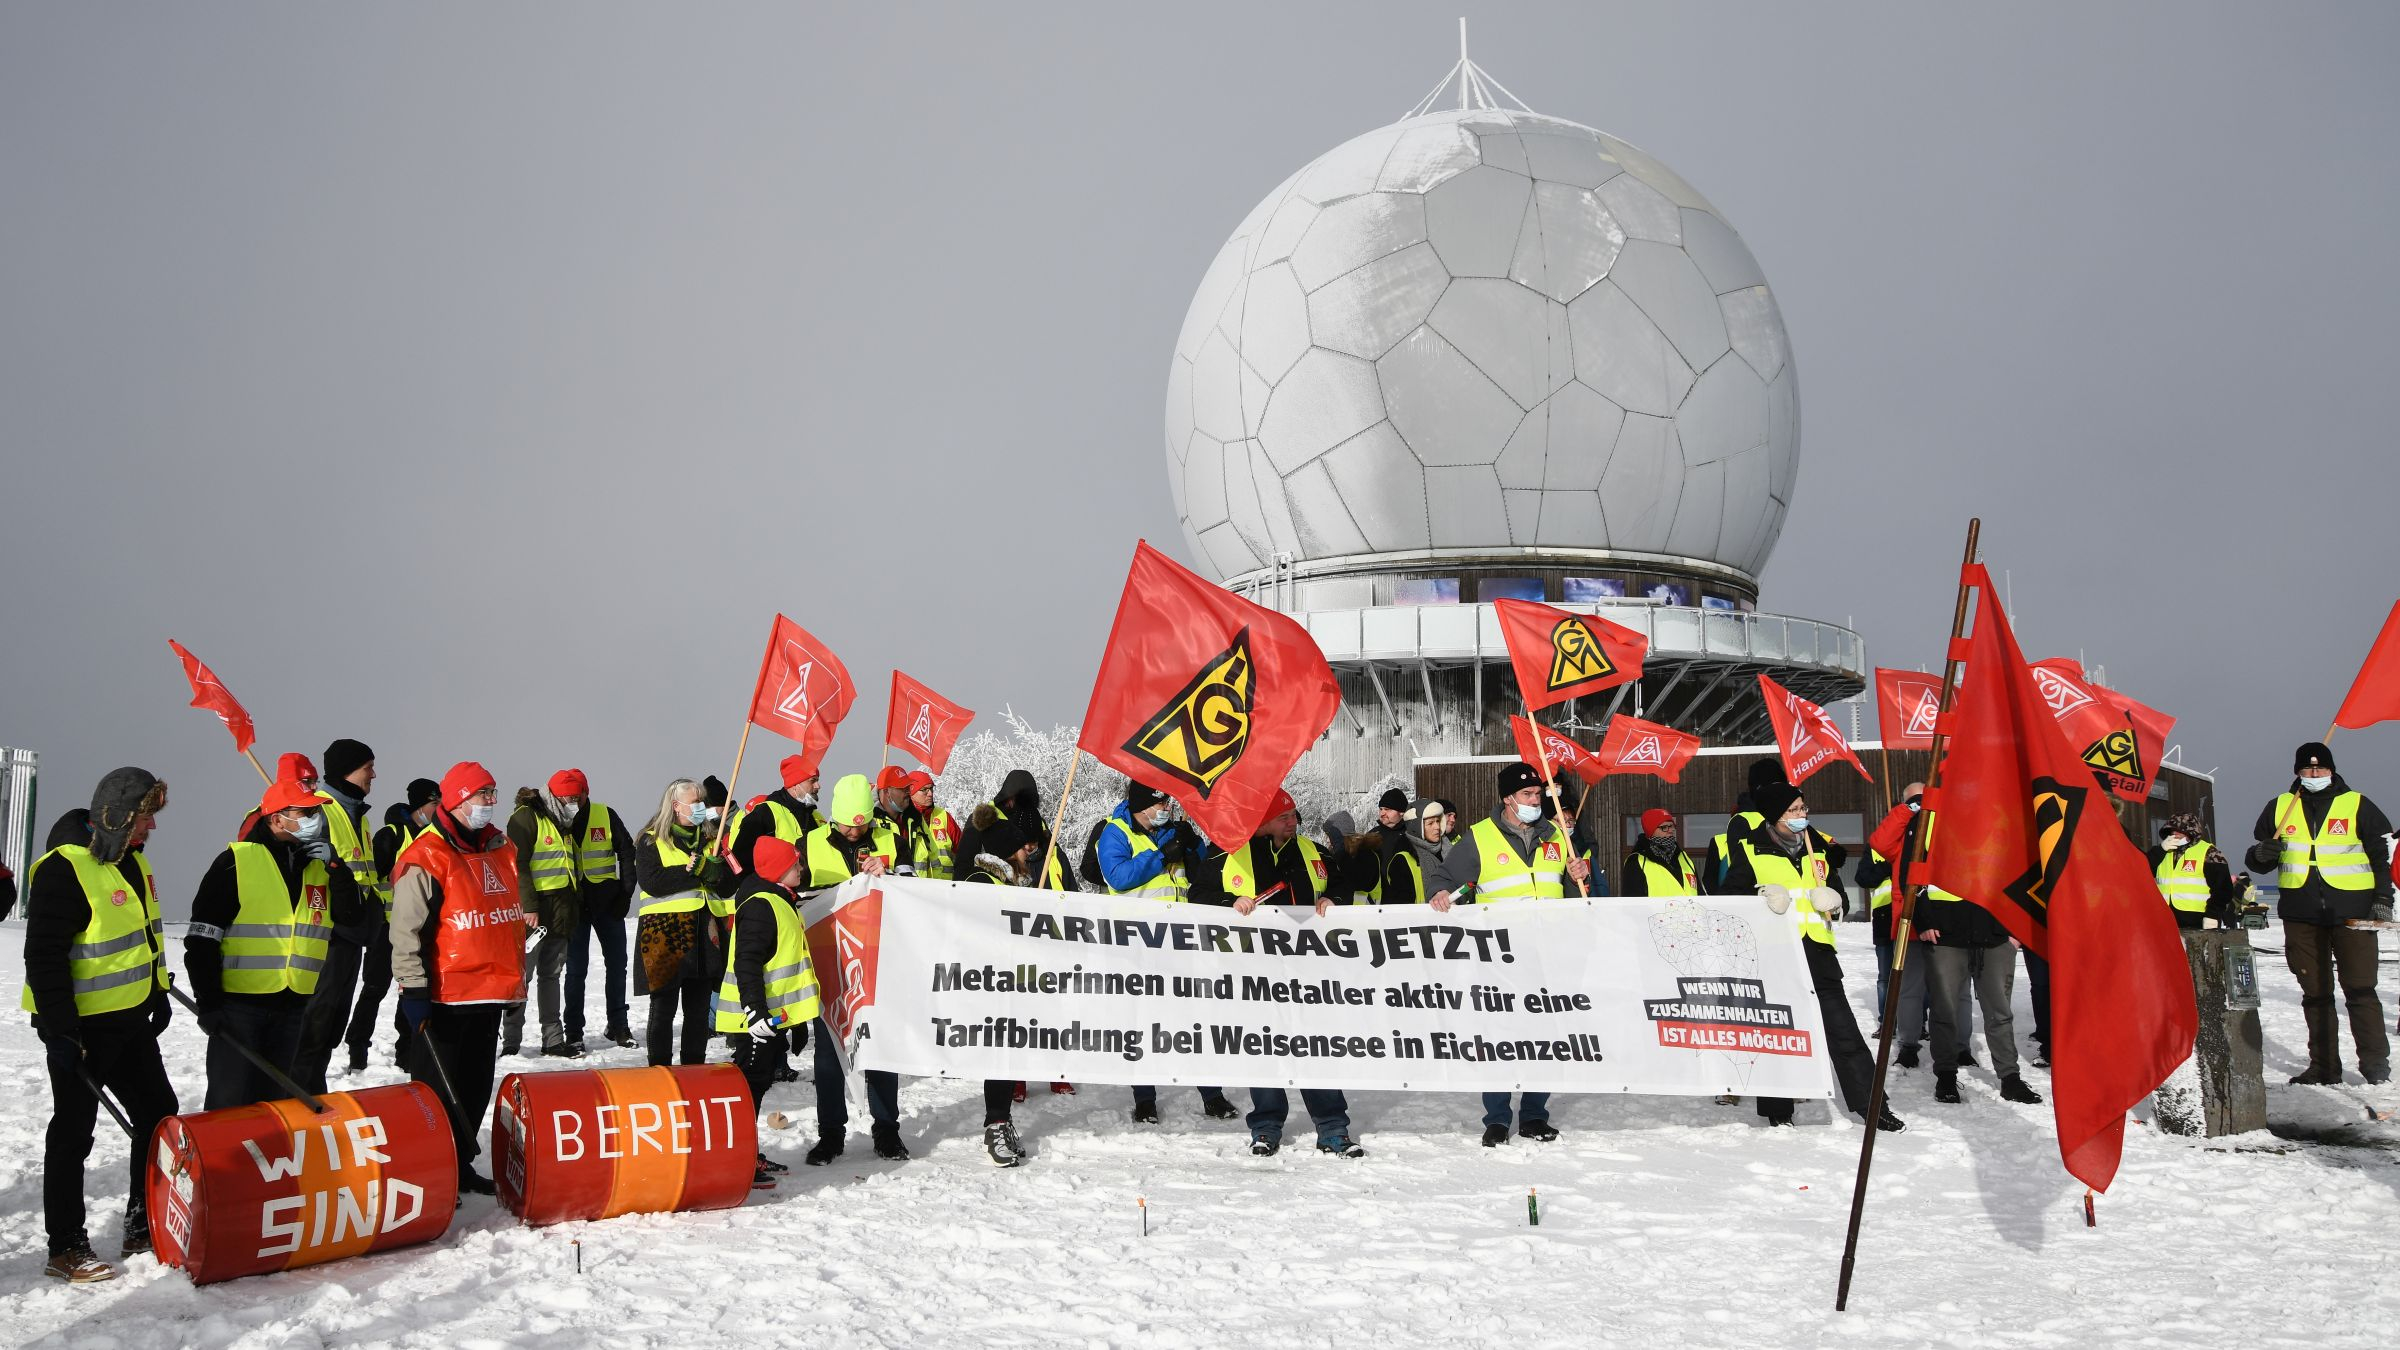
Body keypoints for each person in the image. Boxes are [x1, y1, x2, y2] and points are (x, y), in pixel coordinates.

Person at [23, 768, 176, 1282]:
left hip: (130, 1021)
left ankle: (142, 1223)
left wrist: (158, 992)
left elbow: (145, 937)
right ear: (117, 815)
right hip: (82, 1030)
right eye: (145, 818)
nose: (150, 829)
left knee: (158, 1114)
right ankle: (65, 1247)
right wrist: (60, 1030)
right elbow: (44, 956)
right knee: (73, 1134)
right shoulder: (63, 869)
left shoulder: (132, 862)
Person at [1714, 783, 1903, 1132]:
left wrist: (1834, 899)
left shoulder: (1817, 850)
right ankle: (1777, 1109)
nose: (1803, 815)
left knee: (1843, 1032)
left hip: (1818, 953)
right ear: (1776, 815)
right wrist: (1760, 894)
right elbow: (1729, 899)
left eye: (1803, 808)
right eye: (1795, 810)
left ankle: (1872, 1105)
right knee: (1778, 1032)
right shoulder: (1750, 850)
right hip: (1775, 956)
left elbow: (1840, 900)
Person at [1427, 762, 1590, 1145]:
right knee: (1498, 1039)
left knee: (1545, 1039)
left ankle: (1534, 1115)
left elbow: (1574, 895)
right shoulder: (1479, 837)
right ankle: (1497, 1119)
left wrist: (1578, 873)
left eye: (1539, 794)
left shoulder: (1557, 837)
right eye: (1527, 796)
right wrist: (1438, 892)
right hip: (1498, 962)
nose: (1536, 801)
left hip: (1548, 958)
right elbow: (1443, 878)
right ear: (1508, 799)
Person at [389, 761, 528, 1196]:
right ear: (457, 800)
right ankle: (431, 1172)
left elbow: (503, 919)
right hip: (444, 995)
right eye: (481, 794)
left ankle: (462, 1165)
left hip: (489, 991)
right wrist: (413, 989)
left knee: (473, 1088)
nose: (490, 802)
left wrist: (514, 980)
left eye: (493, 793)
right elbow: (407, 929)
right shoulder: (426, 855)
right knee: (436, 1094)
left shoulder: (500, 848)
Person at [187, 776, 364, 1109]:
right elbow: (201, 939)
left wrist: (337, 867)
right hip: (240, 1009)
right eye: (305, 813)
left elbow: (353, 917)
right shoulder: (236, 862)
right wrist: (208, 1002)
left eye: (317, 814)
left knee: (276, 1105)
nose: (315, 821)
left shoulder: (321, 866)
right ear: (276, 819)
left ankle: (267, 1161)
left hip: (294, 1008)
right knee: (231, 1102)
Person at [1866, 793, 2040, 1107]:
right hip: (1945, 934)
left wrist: (2017, 930)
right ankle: (1945, 1076)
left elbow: (2024, 873)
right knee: (1944, 1012)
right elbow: (1911, 875)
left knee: (1999, 1013)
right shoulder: (1927, 820)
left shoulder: (2003, 818)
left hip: (1996, 934)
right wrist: (1923, 919)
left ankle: (2010, 1079)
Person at [1219, 789, 1366, 1158]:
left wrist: (1333, 897)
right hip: (1256, 973)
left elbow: (1343, 884)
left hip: (1309, 973)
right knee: (1264, 1048)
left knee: (1314, 1047)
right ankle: (1266, 1127)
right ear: (1264, 821)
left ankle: (1333, 1128)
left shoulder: (1313, 850)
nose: (1292, 822)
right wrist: (1229, 903)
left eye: (1293, 815)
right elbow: (1200, 896)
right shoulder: (1233, 855)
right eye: (1284, 817)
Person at [2246, 742, 2394, 1084]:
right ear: (2297, 772)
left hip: (2352, 912)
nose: (2314, 775)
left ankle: (2375, 1065)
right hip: (2301, 913)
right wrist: (2262, 854)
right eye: (2307, 770)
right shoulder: (2281, 807)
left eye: (2320, 769)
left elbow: (2379, 858)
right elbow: (2258, 861)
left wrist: (2382, 899)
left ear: (2332, 770)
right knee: (2315, 993)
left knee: (2360, 988)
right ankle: (2324, 1067)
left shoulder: (2357, 804)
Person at [1096, 783, 1236, 1123]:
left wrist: (1194, 849)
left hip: (1180, 943)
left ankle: (1212, 1095)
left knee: (1194, 1021)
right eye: (1160, 800)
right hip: (1136, 945)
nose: (1166, 806)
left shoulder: (1174, 830)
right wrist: (1161, 855)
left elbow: (1203, 876)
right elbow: (1117, 875)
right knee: (1141, 1025)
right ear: (1143, 805)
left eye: (1168, 800)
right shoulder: (1114, 832)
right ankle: (1145, 1099)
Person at [801, 773, 909, 1164]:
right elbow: (794, 893)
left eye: (861, 824)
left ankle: (887, 1131)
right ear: (834, 818)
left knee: (880, 1048)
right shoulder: (810, 844)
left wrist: (891, 874)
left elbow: (913, 889)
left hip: (877, 960)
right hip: (829, 961)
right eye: (849, 824)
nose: (855, 831)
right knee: (829, 1055)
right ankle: (831, 1134)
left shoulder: (888, 838)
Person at [715, 835, 820, 1189]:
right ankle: (739, 1159)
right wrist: (755, 1013)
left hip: (774, 1018)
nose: (801, 868)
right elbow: (748, 963)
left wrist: (796, 1021)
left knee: (757, 1085)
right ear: (779, 870)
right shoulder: (762, 905)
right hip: (754, 1021)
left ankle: (747, 1154)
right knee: (749, 1087)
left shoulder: (781, 900)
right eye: (796, 864)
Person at [504, 769, 632, 1057]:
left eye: (577, 797)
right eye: (568, 798)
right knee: (522, 976)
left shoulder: (564, 820)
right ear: (554, 795)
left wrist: (619, 893)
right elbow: (518, 866)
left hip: (564, 910)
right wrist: (529, 907)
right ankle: (511, 1041)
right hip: (533, 914)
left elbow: (573, 866)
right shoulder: (527, 818)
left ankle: (553, 1039)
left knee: (552, 975)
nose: (573, 802)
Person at [292, 739, 381, 1093]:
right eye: (367, 767)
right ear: (348, 770)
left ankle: (315, 1089)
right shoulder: (321, 811)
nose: (373, 774)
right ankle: (299, 1096)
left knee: (332, 1025)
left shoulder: (356, 813)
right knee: (315, 1022)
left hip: (353, 933)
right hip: (327, 935)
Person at [632, 779, 736, 1069]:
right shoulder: (651, 839)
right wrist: (693, 871)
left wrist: (714, 873)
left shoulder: (712, 839)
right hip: (665, 934)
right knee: (663, 1008)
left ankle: (694, 1069)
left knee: (698, 1010)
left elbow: (729, 885)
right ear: (676, 806)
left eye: (702, 803)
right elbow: (652, 881)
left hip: (705, 934)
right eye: (694, 804)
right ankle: (659, 1069)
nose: (700, 809)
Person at [960, 818, 1047, 1165]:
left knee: (1009, 1053)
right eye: (1020, 846)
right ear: (1006, 853)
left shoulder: (1010, 882)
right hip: (991, 982)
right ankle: (995, 1123)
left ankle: (1003, 1118)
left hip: (1015, 979)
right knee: (999, 1052)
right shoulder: (981, 880)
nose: (1027, 851)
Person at [362, 778, 439, 1069]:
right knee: (374, 990)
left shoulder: (434, 837)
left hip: (420, 928)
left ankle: (406, 1053)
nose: (439, 808)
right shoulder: (392, 835)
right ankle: (358, 1052)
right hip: (386, 927)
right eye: (434, 803)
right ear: (420, 806)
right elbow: (373, 877)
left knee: (412, 988)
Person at [731, 754, 823, 876]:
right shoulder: (766, 812)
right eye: (812, 781)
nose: (818, 786)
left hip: (817, 890)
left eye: (817, 780)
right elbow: (741, 857)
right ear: (795, 784)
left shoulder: (815, 816)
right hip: (779, 891)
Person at [2150, 811, 2238, 931]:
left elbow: (2223, 888)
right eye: (2172, 831)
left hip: (2197, 921)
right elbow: (2141, 871)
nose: (2175, 834)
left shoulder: (2209, 852)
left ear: (2191, 832)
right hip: (2163, 920)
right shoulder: (2162, 852)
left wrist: (2213, 914)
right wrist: (2160, 850)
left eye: (2180, 831)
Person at [1381, 799, 1448, 905]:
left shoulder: (1448, 850)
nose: (1437, 827)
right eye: (1430, 823)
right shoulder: (1402, 860)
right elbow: (1400, 907)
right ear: (1417, 827)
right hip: (1419, 919)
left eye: (1438, 821)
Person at [1617, 809, 1698, 897]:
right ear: (1651, 830)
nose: (1670, 830)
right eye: (1664, 827)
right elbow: (1633, 902)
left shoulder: (1684, 858)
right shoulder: (1636, 862)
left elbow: (1700, 894)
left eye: (1671, 826)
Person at [871, 766, 923, 876]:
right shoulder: (870, 823)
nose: (908, 792)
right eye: (903, 788)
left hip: (920, 891)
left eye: (908, 788)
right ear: (887, 792)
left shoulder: (916, 820)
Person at [909, 771, 960, 881]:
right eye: (924, 790)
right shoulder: (904, 820)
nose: (930, 793)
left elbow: (963, 852)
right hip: (915, 891)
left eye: (931, 788)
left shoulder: (943, 816)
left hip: (945, 890)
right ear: (910, 792)